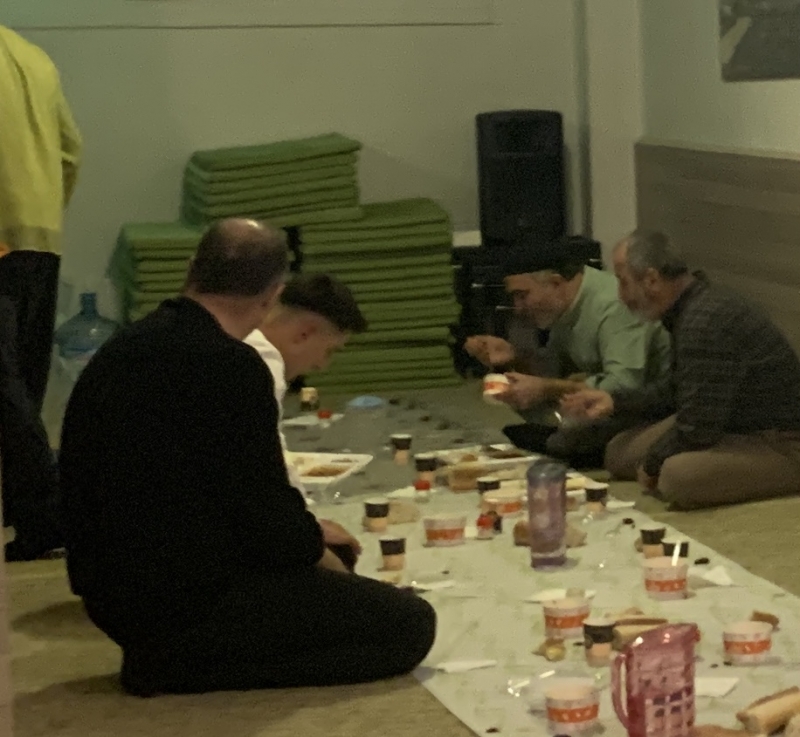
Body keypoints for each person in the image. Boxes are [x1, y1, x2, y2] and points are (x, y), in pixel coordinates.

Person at [60, 218, 436, 696]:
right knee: (409, 624)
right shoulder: (232, 365)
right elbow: (264, 513)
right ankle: (174, 666)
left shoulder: (124, 346)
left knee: (330, 568)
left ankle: (172, 654)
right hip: (188, 601)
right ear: (272, 293)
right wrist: (319, 554)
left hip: (110, 594)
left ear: (191, 269)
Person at [562, 230, 800, 509]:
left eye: (623, 282)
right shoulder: (689, 309)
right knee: (618, 454)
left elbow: (696, 427)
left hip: (777, 440)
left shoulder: (704, 320)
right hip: (726, 423)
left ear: (651, 280)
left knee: (676, 476)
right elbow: (676, 392)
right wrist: (614, 401)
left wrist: (653, 463)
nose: (621, 296)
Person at [465, 238, 670, 467]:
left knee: (600, 451)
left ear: (555, 283)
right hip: (610, 410)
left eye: (522, 295)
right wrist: (513, 359)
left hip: (653, 409)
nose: (518, 308)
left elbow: (624, 386)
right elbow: (554, 374)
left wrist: (547, 388)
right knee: (524, 434)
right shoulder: (566, 305)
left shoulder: (612, 306)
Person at [0, 26, 83, 561]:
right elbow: (71, 152)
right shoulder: (32, 57)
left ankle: (45, 512)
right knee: (24, 384)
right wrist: (44, 212)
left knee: (5, 389)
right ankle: (24, 512)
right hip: (40, 236)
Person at [244, 273, 367, 501]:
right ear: (304, 334)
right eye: (329, 351)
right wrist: (305, 515)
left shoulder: (234, 337)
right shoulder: (261, 362)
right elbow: (271, 466)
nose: (322, 365)